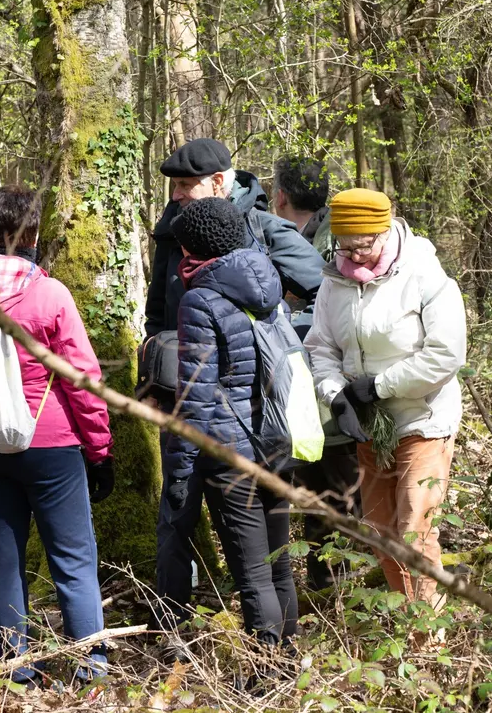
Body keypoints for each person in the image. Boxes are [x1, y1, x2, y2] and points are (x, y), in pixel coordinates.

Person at [0, 187, 113, 684]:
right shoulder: (49, 295)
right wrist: (99, 450)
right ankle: (91, 665)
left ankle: (15, 668)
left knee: (2, 561)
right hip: (51, 444)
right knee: (72, 557)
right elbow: (82, 379)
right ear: (31, 236)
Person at [144, 138, 324, 630]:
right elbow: (158, 314)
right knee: (266, 560)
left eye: (187, 184)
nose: (177, 194)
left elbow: (323, 292)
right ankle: (185, 629)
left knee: (256, 571)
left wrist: (181, 467)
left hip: (226, 436)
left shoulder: (249, 246)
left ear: (219, 183)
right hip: (256, 430)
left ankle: (269, 661)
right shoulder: (189, 241)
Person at [305, 189, 466, 607]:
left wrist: (379, 386)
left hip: (422, 418)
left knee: (415, 531)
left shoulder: (423, 273)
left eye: (364, 246)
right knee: (381, 532)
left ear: (384, 231)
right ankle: (408, 614)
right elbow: (320, 346)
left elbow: (446, 353)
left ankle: (427, 631)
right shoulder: (335, 280)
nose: (355, 257)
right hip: (370, 424)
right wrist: (336, 396)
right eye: (345, 247)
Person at [167, 197, 298, 653]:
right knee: (279, 564)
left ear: (191, 247)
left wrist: (180, 471)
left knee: (254, 573)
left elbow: (196, 397)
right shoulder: (269, 283)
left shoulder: (199, 300)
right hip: (278, 438)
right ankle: (289, 658)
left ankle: (267, 671)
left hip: (230, 453)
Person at [272, 156, 358, 590]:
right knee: (315, 493)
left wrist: (287, 314)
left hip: (340, 392)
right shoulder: (285, 237)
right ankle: (327, 588)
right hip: (300, 396)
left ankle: (345, 587)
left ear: (280, 197)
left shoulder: (337, 241)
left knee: (342, 491)